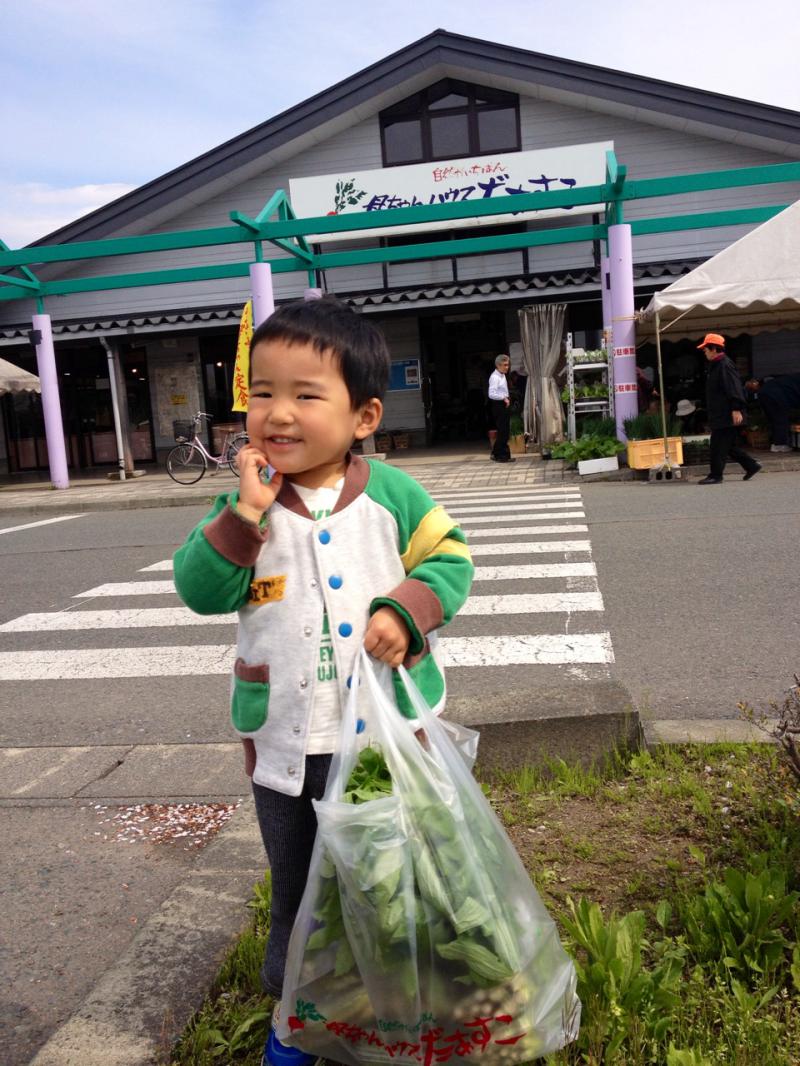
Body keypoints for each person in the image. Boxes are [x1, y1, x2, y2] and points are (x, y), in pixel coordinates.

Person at [173, 296, 474, 1066]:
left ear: (363, 415)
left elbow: (452, 559)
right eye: (263, 393)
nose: (278, 413)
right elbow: (200, 590)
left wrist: (408, 611)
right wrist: (245, 515)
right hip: (285, 749)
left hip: (386, 741)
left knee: (389, 879)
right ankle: (298, 1016)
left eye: (305, 395)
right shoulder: (245, 508)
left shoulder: (393, 496)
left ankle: (399, 1003)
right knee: (301, 888)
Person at [696, 333, 761, 484]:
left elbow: (734, 388)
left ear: (714, 349)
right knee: (727, 446)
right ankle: (751, 466)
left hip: (727, 413)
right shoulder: (717, 365)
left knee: (717, 445)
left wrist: (736, 408)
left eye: (706, 349)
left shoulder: (724, 365)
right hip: (721, 413)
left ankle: (716, 475)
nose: (704, 352)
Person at [745, 374, 800, 452]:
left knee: (774, 419)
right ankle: (779, 444)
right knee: (780, 418)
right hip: (776, 395)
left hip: (767, 394)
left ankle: (776, 443)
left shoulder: (791, 379)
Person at [488, 353, 514, 462]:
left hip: (504, 404)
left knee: (505, 431)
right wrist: (504, 398)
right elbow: (491, 394)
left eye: (508, 365)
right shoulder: (495, 377)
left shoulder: (502, 375)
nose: (507, 367)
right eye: (505, 365)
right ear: (498, 365)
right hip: (498, 405)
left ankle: (498, 454)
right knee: (503, 431)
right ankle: (501, 456)